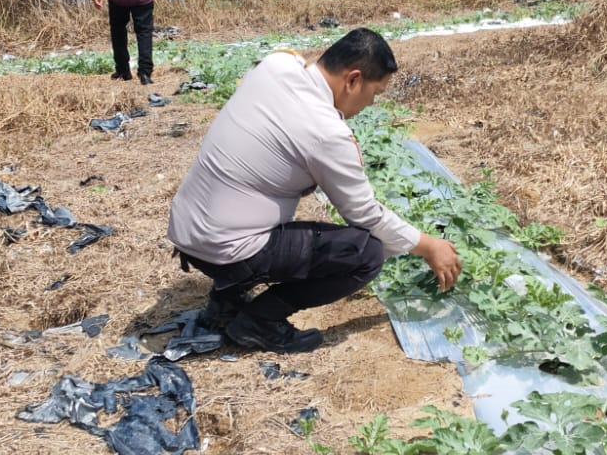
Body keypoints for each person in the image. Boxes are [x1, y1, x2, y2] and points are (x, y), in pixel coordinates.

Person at [167, 27, 462, 354]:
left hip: (188, 233)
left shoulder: (276, 65)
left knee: (255, 206)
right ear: (353, 81)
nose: (371, 104)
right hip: (227, 248)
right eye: (374, 94)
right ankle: (261, 320)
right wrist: (428, 245)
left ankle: (225, 301)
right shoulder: (326, 131)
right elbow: (364, 214)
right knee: (365, 253)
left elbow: (290, 66)